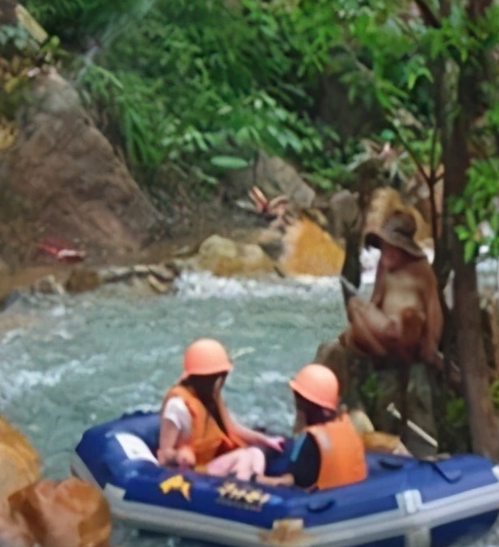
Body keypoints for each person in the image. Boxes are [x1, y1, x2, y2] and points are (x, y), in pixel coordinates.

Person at [315, 210, 444, 457]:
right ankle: (378, 348)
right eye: (384, 249)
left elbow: (434, 311)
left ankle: (381, 341)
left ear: (404, 249)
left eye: (391, 249)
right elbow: (374, 300)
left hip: (407, 333)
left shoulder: (421, 271)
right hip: (385, 335)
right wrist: (366, 324)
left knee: (409, 316)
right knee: (355, 304)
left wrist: (431, 343)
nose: (385, 255)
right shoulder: (384, 269)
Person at [157, 338, 285, 480]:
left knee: (254, 453)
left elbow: (231, 428)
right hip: (194, 473)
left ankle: (257, 485)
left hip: (209, 463)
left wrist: (266, 440)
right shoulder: (177, 406)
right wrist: (178, 455)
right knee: (243, 457)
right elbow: (164, 453)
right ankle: (246, 490)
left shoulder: (211, 396)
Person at [254, 364, 367, 490]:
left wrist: (257, 480)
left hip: (316, 500)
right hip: (348, 492)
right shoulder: (347, 425)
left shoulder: (310, 439)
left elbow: (291, 481)